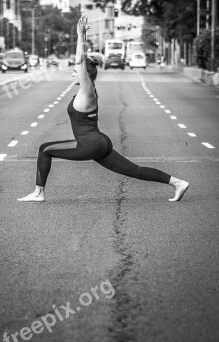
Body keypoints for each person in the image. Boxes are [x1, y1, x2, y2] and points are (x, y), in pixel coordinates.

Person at [18, 15, 190, 203]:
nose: (72, 74)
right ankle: (178, 183)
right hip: (98, 143)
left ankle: (39, 193)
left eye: (74, 72)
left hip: (90, 144)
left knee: (45, 149)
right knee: (135, 171)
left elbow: (81, 63)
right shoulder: (88, 91)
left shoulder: (87, 90)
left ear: (84, 75)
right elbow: (81, 65)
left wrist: (80, 36)